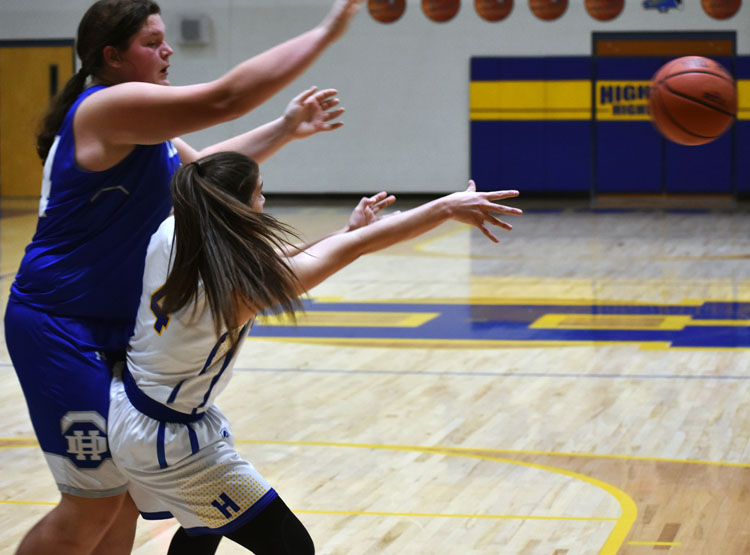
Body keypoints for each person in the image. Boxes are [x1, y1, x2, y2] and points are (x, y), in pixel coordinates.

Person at [4, 0, 364, 553]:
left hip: (110, 324)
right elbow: (225, 99)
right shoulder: (106, 107)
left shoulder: (147, 130)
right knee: (91, 502)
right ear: (112, 56)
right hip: (61, 325)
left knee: (121, 496)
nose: (167, 51)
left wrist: (286, 128)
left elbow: (204, 175)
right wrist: (325, 32)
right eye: (151, 42)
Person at [108, 151, 523, 553]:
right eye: (259, 193)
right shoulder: (237, 289)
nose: (264, 201)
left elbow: (273, 260)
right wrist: (445, 208)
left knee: (204, 527)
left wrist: (345, 231)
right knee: (291, 545)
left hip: (136, 408)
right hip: (167, 437)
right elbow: (356, 248)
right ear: (237, 208)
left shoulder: (175, 230)